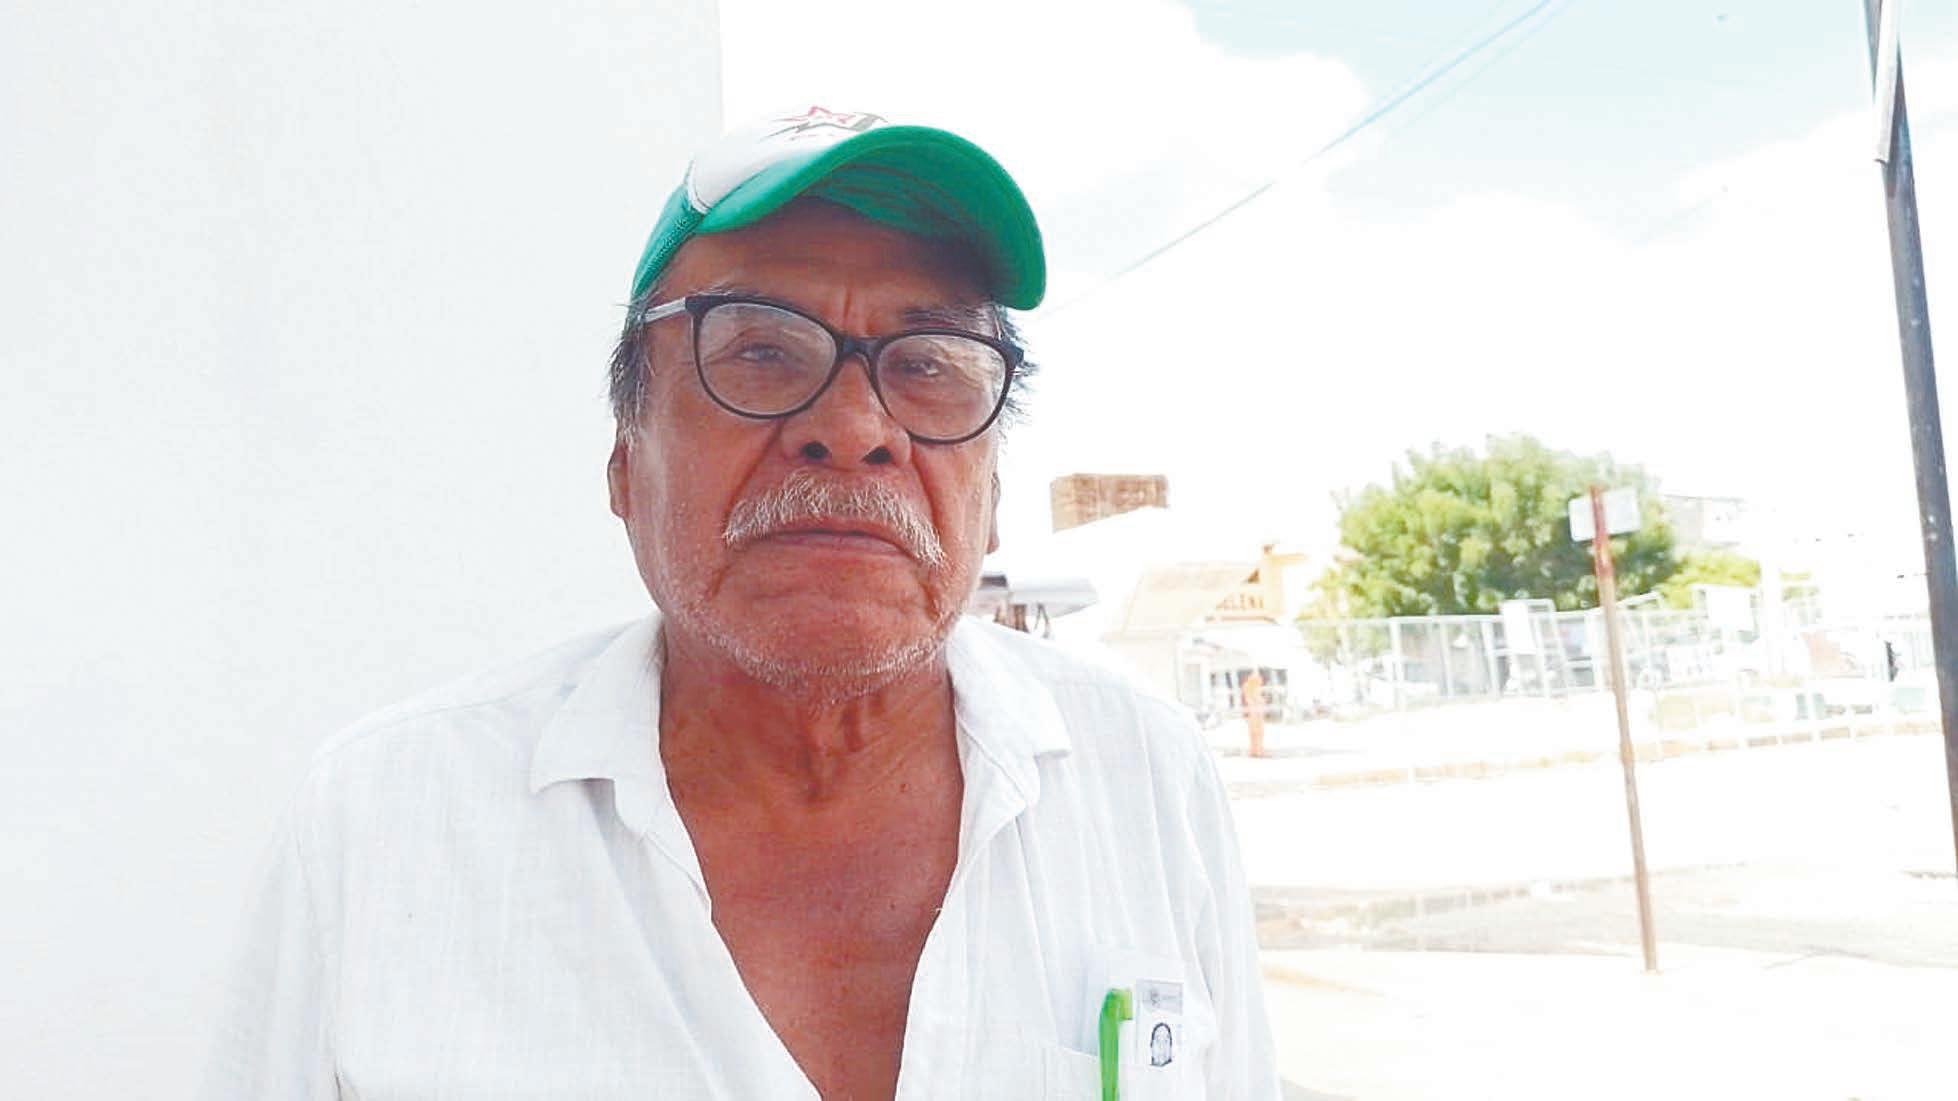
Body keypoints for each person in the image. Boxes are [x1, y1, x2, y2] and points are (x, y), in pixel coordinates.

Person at [204, 106, 1279, 1100]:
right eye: (760, 350)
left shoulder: (1145, 780)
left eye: (929, 364)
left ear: (991, 493)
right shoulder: (385, 825)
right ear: (625, 465)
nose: (854, 428)